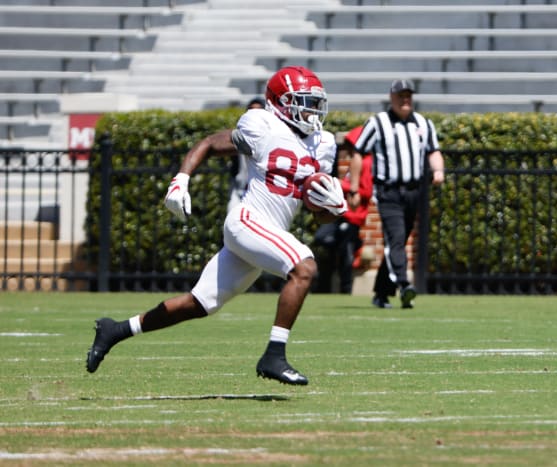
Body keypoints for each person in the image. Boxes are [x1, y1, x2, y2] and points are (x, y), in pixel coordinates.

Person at [86, 66, 347, 385]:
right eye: (303, 101)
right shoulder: (262, 124)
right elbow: (211, 142)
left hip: (266, 233)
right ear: (280, 102)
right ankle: (274, 356)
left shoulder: (323, 143)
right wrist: (180, 181)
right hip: (248, 220)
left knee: (199, 303)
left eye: (315, 103)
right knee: (304, 267)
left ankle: (116, 330)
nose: (311, 110)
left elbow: (316, 210)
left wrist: (332, 206)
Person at [348, 79, 445, 309]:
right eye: (401, 96)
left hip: (414, 191)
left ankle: (381, 293)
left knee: (397, 241)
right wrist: (353, 188)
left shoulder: (423, 123)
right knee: (396, 237)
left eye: (408, 96)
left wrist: (438, 170)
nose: (405, 100)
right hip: (388, 192)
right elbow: (357, 153)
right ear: (391, 98)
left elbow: (434, 151)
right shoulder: (378, 123)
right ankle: (404, 285)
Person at [314, 126, 374, 294]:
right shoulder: (355, 163)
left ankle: (345, 288)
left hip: (354, 215)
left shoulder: (367, 162)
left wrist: (341, 185)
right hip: (343, 213)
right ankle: (326, 285)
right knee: (326, 243)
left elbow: (366, 191)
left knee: (345, 251)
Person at [227, 97, 266, 212]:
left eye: (259, 111)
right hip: (240, 192)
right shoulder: (240, 135)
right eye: (251, 111)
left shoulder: (272, 137)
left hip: (261, 197)